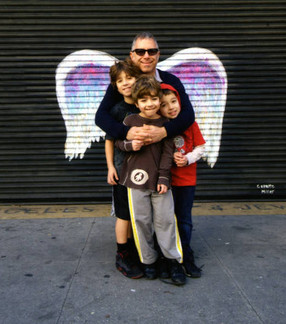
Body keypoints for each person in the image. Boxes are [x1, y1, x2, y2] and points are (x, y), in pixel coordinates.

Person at [115, 76, 186, 285]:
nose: (150, 104)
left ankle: (173, 260)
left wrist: (164, 176)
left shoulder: (166, 124)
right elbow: (118, 142)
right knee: (141, 222)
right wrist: (130, 145)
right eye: (144, 100)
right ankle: (149, 261)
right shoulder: (130, 121)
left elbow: (167, 152)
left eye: (153, 99)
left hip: (160, 181)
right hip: (135, 181)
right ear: (137, 103)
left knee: (165, 221)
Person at [95, 32, 195, 144]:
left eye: (152, 51)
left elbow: (188, 114)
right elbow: (101, 116)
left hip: (165, 153)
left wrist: (164, 131)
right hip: (130, 156)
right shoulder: (123, 85)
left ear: (158, 55)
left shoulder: (171, 81)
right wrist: (126, 132)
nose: (146, 56)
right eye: (140, 52)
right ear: (132, 55)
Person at [159, 83, 206, 278]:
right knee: (165, 220)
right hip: (165, 182)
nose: (171, 107)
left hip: (186, 181)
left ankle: (186, 253)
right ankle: (167, 257)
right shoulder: (159, 127)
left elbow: (201, 147)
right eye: (164, 104)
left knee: (184, 218)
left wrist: (188, 158)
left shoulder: (190, 124)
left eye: (173, 101)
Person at [104, 59, 143, 279]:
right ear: (115, 86)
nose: (126, 83)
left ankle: (136, 248)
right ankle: (122, 253)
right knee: (124, 214)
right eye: (120, 81)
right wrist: (110, 167)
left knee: (140, 213)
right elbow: (109, 140)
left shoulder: (144, 103)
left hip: (144, 170)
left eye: (129, 78)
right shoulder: (117, 110)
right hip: (122, 169)